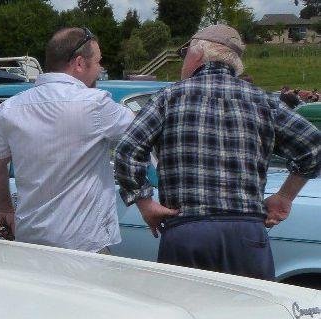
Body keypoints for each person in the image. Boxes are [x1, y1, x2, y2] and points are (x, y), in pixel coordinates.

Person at [115, 25, 321, 281]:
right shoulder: (265, 101)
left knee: (188, 315)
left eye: (184, 53)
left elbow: (127, 152)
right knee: (249, 318)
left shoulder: (169, 97)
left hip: (187, 231)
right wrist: (284, 197)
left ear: (197, 55)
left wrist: (145, 203)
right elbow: (314, 146)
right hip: (247, 235)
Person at [0, 27, 133, 252]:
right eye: (98, 62)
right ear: (80, 63)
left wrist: (5, 209)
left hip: (30, 239)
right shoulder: (95, 103)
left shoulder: (9, 108)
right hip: (84, 245)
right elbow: (142, 131)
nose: (100, 70)